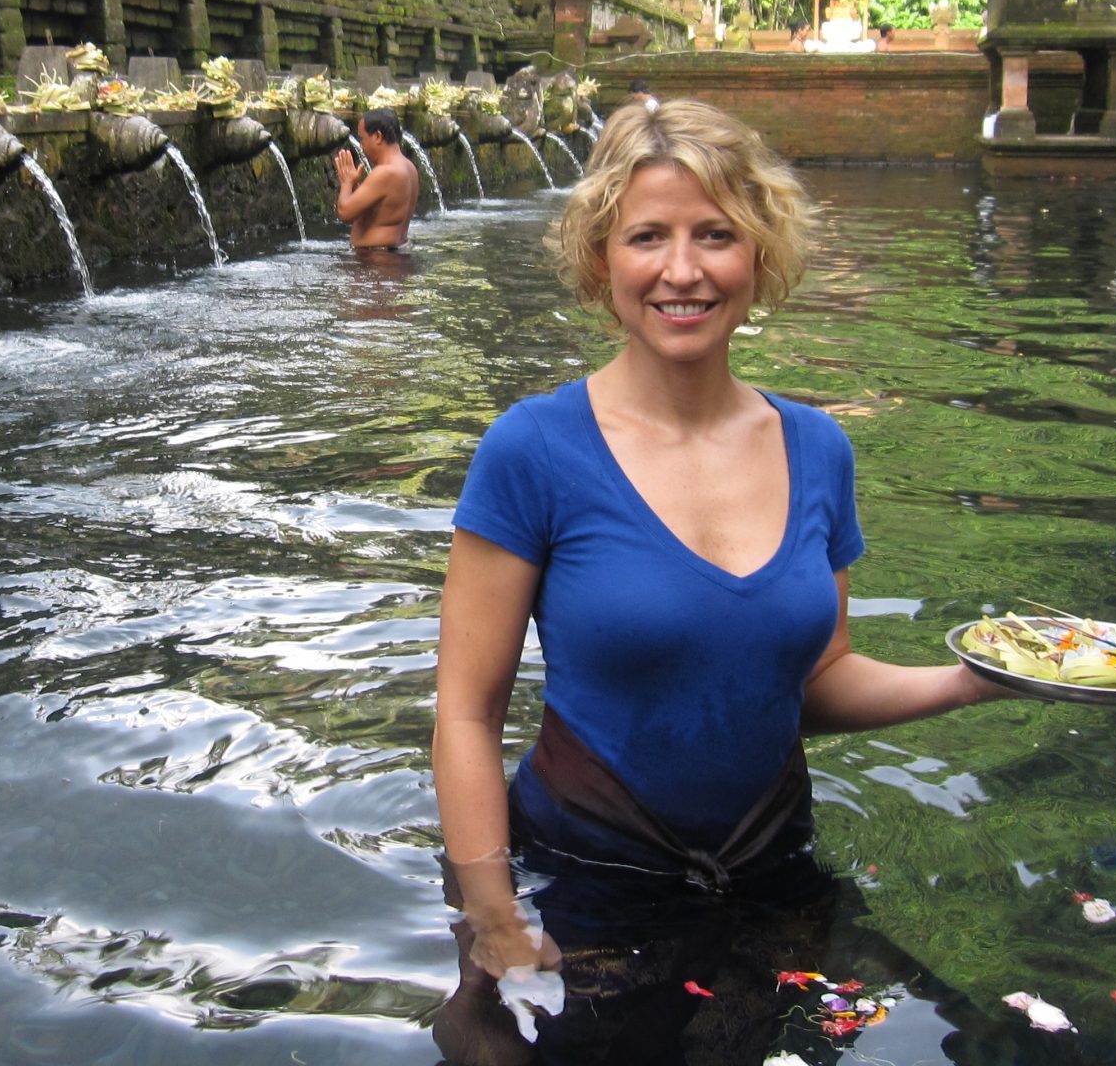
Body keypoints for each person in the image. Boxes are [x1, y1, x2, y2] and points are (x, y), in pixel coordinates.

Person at [432, 98, 1007, 990]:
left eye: (715, 235)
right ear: (600, 258)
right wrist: (496, 921)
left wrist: (978, 678)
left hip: (772, 866)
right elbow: (467, 715)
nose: (682, 271)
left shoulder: (819, 449)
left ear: (760, 254)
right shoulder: (533, 450)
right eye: (648, 236)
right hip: (580, 883)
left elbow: (814, 683)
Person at [332, 105, 419, 250]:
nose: (361, 146)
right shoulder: (409, 167)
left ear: (378, 136)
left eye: (362, 139)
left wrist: (346, 183)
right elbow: (373, 213)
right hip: (395, 254)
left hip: (376, 261)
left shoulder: (386, 172)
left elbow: (345, 213)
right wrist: (354, 184)